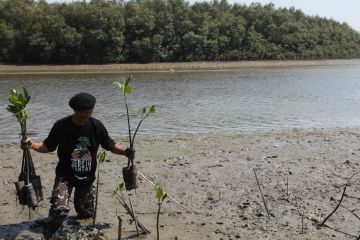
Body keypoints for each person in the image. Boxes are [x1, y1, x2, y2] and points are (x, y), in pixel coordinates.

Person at [22, 92, 134, 232]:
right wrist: (31, 144)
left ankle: (80, 213)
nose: (88, 114)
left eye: (90, 111)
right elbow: (47, 147)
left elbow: (110, 145)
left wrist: (125, 152)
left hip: (87, 178)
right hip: (65, 175)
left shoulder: (96, 125)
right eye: (84, 112)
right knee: (59, 210)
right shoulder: (61, 125)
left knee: (86, 215)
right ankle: (51, 226)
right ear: (76, 111)